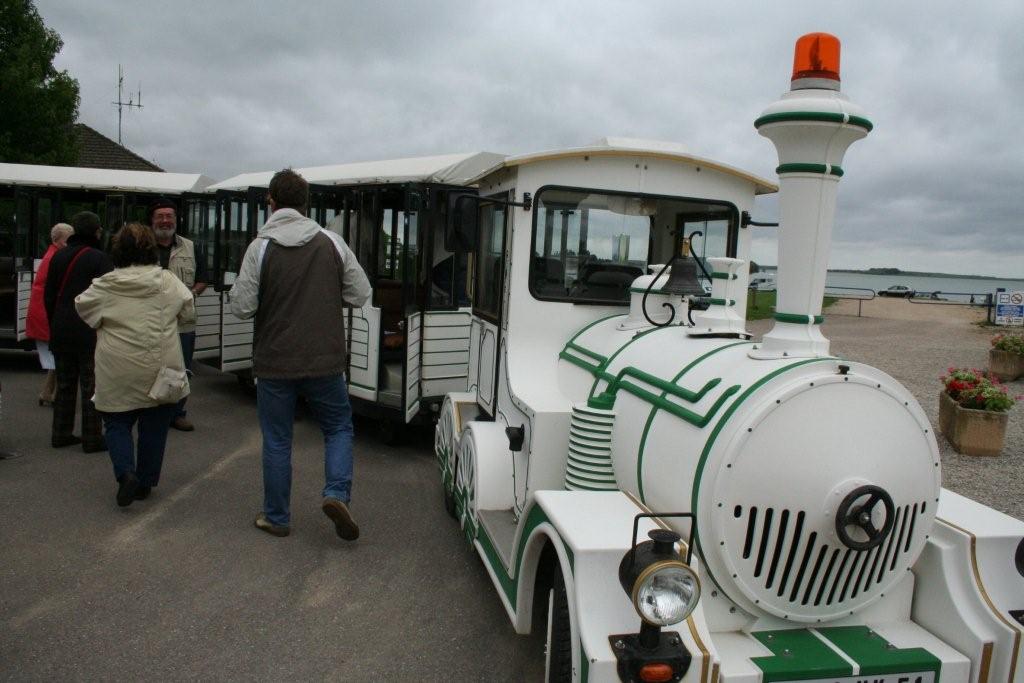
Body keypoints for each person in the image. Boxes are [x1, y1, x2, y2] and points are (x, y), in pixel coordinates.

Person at [229, 169, 370, 540]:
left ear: (270, 202)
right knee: (338, 428)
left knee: (277, 439)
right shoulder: (331, 242)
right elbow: (360, 293)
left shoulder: (259, 247)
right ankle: (336, 493)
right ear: (305, 203)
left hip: (275, 362)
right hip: (325, 360)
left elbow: (242, 308)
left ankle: (277, 517)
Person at [76, 223, 195, 506]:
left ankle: (126, 473)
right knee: (155, 424)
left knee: (117, 422)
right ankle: (145, 482)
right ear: (150, 249)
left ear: (116, 251)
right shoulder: (167, 281)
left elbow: (83, 307)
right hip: (160, 364)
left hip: (117, 365)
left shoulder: (105, 285)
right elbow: (189, 311)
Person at [44, 212, 114, 451]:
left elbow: (49, 294)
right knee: (90, 387)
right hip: (87, 330)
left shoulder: (59, 255)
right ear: (96, 232)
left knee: (64, 385)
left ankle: (60, 433)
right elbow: (107, 297)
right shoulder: (100, 258)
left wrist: (55, 321)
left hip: (61, 327)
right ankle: (92, 437)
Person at [149, 198, 208, 432]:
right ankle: (151, 412)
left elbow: (203, 279)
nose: (165, 220)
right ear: (152, 220)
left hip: (183, 321)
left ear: (176, 219)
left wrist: (191, 294)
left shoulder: (191, 247)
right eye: (160, 216)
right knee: (151, 366)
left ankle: (177, 413)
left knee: (182, 368)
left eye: (169, 216)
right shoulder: (142, 246)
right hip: (150, 320)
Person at [26, 223, 74, 406]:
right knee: (59, 356)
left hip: (44, 313)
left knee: (56, 356)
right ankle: (54, 394)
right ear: (57, 240)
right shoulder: (57, 257)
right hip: (47, 314)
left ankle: (47, 392)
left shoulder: (52, 254)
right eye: (68, 239)